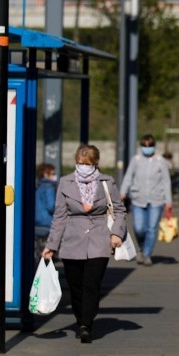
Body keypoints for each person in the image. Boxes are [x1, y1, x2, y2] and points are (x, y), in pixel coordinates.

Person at [42, 144, 127, 343]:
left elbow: (119, 210)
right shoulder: (65, 182)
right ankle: (81, 318)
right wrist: (51, 245)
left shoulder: (107, 182)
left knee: (91, 283)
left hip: (98, 239)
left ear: (95, 163)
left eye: (87, 164)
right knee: (76, 286)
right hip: (72, 242)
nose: (83, 167)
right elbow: (60, 216)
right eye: (79, 163)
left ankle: (86, 323)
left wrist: (116, 234)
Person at [120, 134, 173, 265]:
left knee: (152, 228)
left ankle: (147, 253)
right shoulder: (136, 160)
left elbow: (166, 181)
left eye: (149, 146)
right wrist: (123, 192)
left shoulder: (161, 161)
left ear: (154, 147)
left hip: (156, 200)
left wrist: (168, 201)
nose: (147, 148)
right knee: (138, 228)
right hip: (138, 199)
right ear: (141, 146)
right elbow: (128, 176)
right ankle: (142, 247)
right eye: (144, 146)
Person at [35, 162, 58, 256]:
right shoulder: (49, 187)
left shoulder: (39, 186)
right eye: (52, 174)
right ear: (45, 174)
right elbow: (51, 206)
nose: (54, 176)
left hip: (37, 220)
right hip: (47, 221)